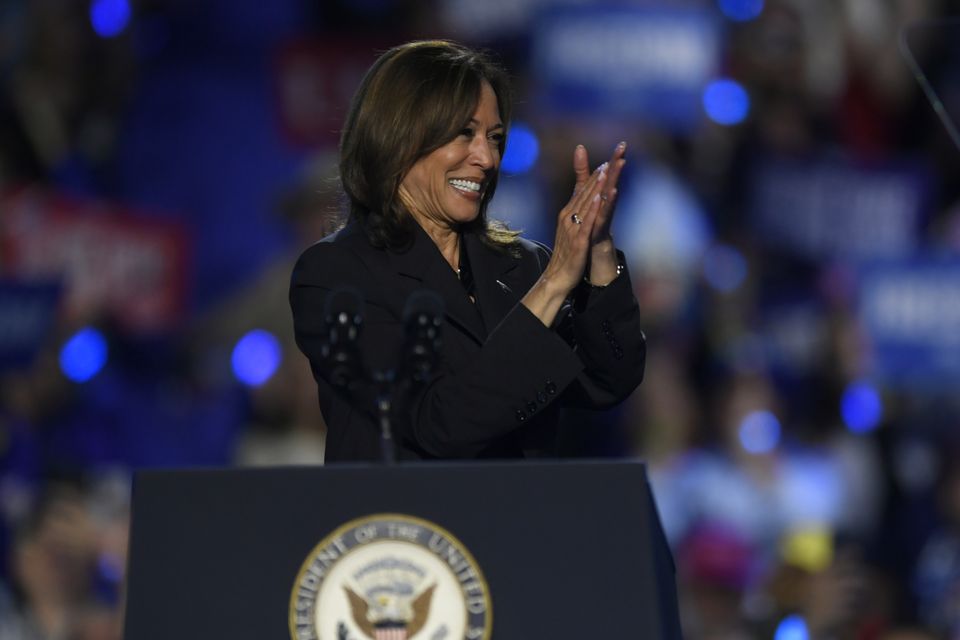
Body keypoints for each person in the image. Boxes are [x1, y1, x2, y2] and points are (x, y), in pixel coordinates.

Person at [289, 40, 645, 462]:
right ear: (398, 136)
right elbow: (441, 423)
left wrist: (598, 246)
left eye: (494, 138)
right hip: (409, 523)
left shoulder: (521, 265)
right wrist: (552, 285)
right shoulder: (337, 274)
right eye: (464, 134)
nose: (488, 158)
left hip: (516, 523)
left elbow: (609, 379)